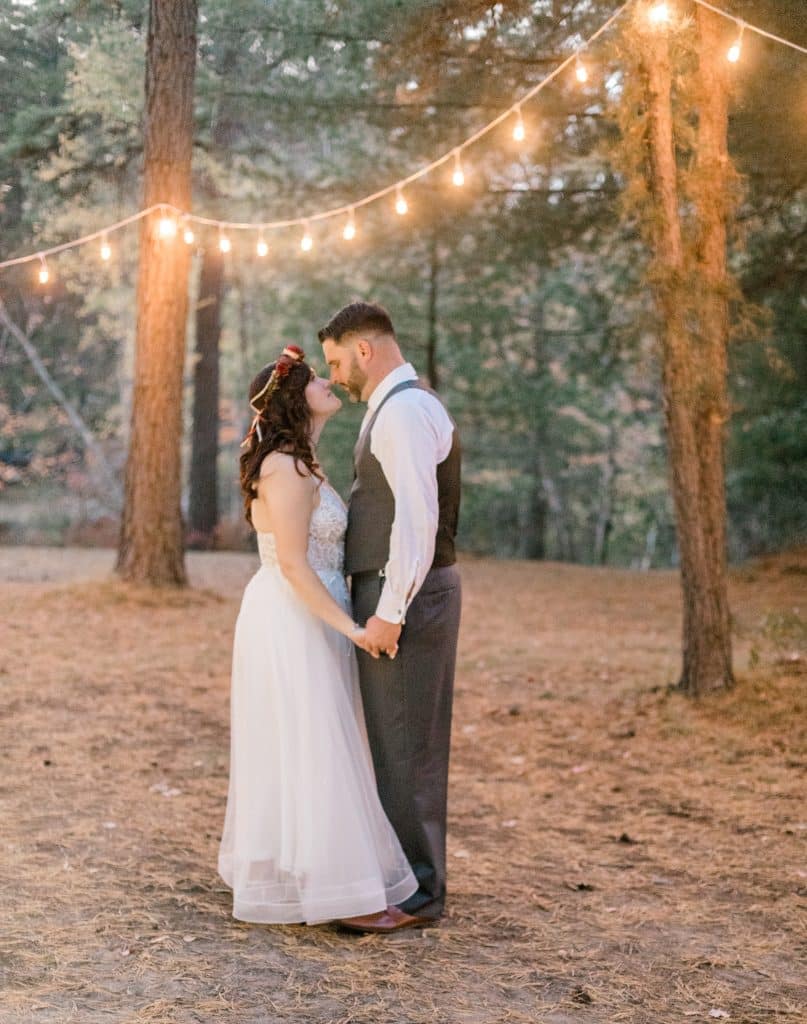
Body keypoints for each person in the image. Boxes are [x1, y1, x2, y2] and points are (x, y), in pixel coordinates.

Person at [217, 344, 417, 926]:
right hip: (293, 612)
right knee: (314, 741)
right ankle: (341, 895)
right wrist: (351, 628)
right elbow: (294, 565)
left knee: (316, 740)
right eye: (314, 379)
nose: (329, 383)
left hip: (314, 608)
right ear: (289, 396)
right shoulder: (282, 467)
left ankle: (318, 873)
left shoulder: (304, 461)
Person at [318, 302, 462, 932]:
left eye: (335, 360)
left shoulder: (403, 412)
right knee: (396, 741)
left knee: (408, 745)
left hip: (403, 595)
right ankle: (404, 878)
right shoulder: (401, 406)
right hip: (396, 592)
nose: (336, 373)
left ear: (365, 349)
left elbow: (417, 519)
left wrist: (391, 610)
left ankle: (419, 896)